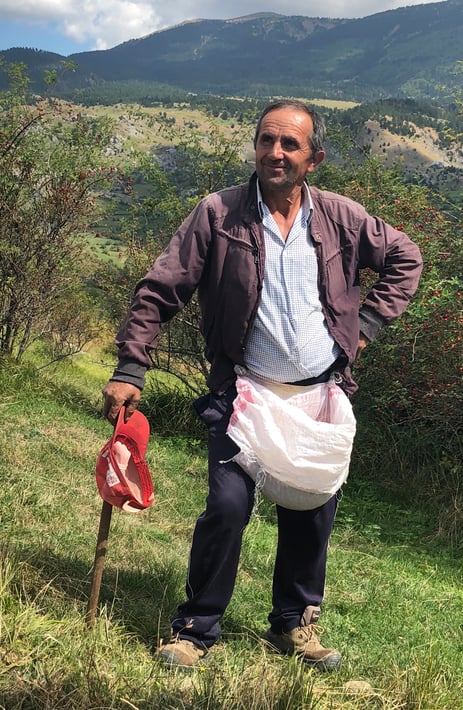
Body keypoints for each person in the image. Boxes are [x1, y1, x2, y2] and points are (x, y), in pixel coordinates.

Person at [102, 99, 423, 670]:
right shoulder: (218, 213)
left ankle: (293, 625)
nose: (275, 153)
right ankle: (196, 628)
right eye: (266, 140)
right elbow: (160, 290)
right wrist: (131, 366)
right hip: (244, 391)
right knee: (227, 506)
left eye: (289, 144)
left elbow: (406, 257)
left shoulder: (342, 219)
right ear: (254, 146)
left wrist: (366, 327)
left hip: (318, 393)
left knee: (311, 510)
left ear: (314, 158)